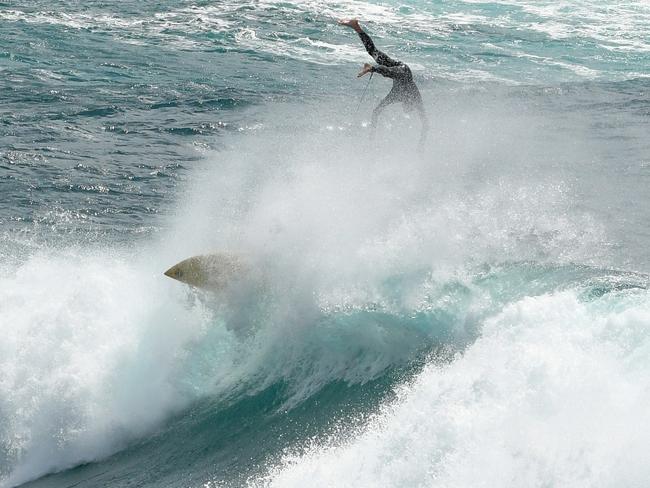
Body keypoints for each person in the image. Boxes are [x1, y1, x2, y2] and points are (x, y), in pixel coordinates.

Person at [339, 18, 428, 148]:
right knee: (395, 74)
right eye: (409, 108)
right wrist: (421, 144)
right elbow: (426, 123)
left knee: (373, 52)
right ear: (411, 104)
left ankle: (356, 27)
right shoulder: (416, 98)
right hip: (403, 70)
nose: (406, 108)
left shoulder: (395, 96)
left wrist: (372, 135)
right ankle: (371, 68)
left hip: (394, 68)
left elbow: (376, 111)